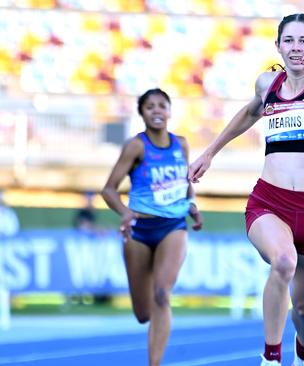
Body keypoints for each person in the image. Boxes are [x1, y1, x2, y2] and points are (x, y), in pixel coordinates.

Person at [189, 13, 304, 366]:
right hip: (270, 201)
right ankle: (270, 358)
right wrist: (209, 152)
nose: (296, 48)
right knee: (283, 261)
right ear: (278, 46)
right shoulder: (268, 83)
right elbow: (250, 113)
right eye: (289, 41)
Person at [101, 88, 203, 366]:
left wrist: (192, 205)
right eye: (150, 107)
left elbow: (185, 182)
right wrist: (124, 213)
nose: (157, 111)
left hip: (173, 226)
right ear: (142, 114)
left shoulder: (180, 144)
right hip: (139, 231)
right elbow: (109, 190)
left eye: (162, 105)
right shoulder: (136, 146)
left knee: (162, 293)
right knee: (143, 312)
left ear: (170, 111)